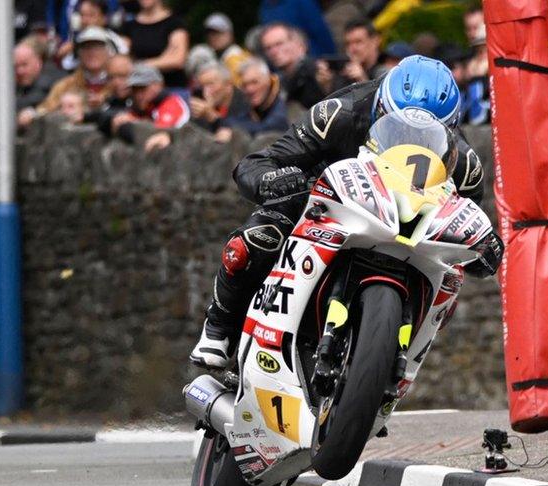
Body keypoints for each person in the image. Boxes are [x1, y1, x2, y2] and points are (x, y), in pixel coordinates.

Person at [190, 55, 498, 369]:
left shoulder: (463, 163)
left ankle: (388, 376)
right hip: (324, 198)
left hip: (406, 224)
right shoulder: (340, 112)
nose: (413, 137)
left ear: (451, 127)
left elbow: (468, 216)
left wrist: (484, 249)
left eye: (430, 130)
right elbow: (259, 162)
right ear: (380, 106)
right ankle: (219, 326)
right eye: (399, 122)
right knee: (258, 239)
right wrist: (272, 180)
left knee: (448, 283)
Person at [108, 63, 189, 151]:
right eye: (135, 90)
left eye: (143, 89)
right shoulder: (144, 106)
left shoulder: (171, 103)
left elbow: (160, 131)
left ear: (158, 85)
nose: (139, 95)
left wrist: (132, 121)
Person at [261, 22, 341, 109]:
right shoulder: (277, 84)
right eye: (268, 48)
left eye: (279, 44)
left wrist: (327, 86)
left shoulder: (321, 71)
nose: (273, 52)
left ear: (300, 44)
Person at [38, 27, 112, 116]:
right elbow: (44, 110)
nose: (92, 53)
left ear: (108, 52)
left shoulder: (116, 84)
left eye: (97, 47)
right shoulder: (65, 85)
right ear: (79, 53)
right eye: (86, 48)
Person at [119, 0, 188, 88]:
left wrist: (139, 65)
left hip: (171, 87)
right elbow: (122, 61)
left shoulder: (175, 23)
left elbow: (178, 60)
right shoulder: (128, 26)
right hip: (139, 89)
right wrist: (164, 59)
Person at [223, 57, 288, 137]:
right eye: (245, 85)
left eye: (255, 82)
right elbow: (233, 120)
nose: (250, 89)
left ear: (268, 80)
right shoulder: (251, 106)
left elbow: (271, 127)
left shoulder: (285, 101)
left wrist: (232, 130)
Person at [55, 0, 128, 71]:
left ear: (104, 18)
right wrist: (61, 56)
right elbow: (67, 65)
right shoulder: (73, 43)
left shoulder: (116, 42)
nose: (85, 20)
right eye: (82, 15)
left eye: (91, 15)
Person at [190, 62, 249, 142]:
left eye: (210, 84)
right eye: (202, 86)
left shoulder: (246, 101)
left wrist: (211, 116)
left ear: (228, 85)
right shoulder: (203, 107)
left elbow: (242, 130)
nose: (206, 92)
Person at [258, 0, 336, 57]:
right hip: (282, 65)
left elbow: (321, 33)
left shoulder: (301, 2)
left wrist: (329, 59)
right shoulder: (265, 7)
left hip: (311, 58)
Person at [203, 12, 251, 86]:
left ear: (230, 34)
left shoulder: (234, 56)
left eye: (218, 33)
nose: (213, 37)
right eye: (210, 33)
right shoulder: (220, 56)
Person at [13, 37, 61, 113]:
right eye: (16, 66)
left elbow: (33, 100)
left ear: (39, 62)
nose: (19, 71)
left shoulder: (50, 79)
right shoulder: (22, 80)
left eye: (24, 65)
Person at [341, 19, 386, 84]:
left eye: (358, 42)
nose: (352, 49)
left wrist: (362, 80)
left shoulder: (387, 71)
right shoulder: (345, 73)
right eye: (348, 44)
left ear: (375, 41)